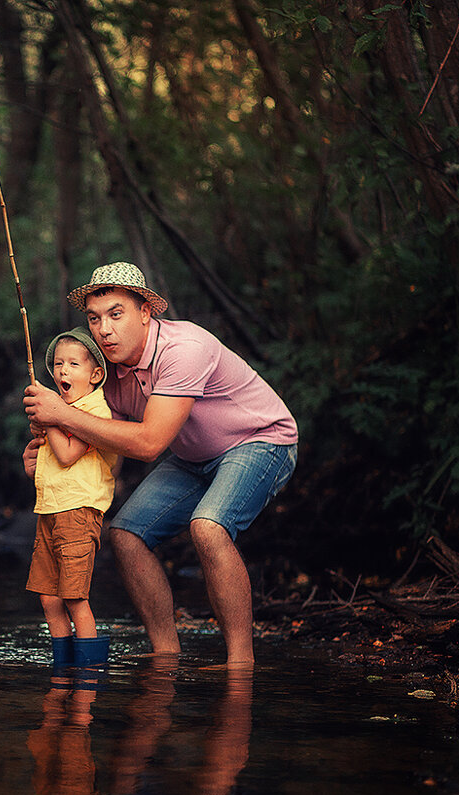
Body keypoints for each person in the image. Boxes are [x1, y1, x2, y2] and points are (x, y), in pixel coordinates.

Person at [23, 262, 297, 666]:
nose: (104, 329)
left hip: (260, 440)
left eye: (116, 314)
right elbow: (99, 441)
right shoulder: (105, 372)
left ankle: (241, 665)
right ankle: (166, 655)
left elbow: (149, 444)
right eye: (95, 319)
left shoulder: (184, 349)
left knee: (207, 526)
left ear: (146, 312)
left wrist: (61, 416)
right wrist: (44, 454)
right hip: (193, 458)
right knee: (127, 534)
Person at [25, 328, 120, 668]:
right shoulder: (61, 412)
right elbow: (49, 468)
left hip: (79, 514)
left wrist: (48, 416)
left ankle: (87, 683)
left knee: (74, 598)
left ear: (95, 375)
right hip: (49, 512)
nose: (63, 371)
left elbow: (66, 455)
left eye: (74, 364)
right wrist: (31, 462)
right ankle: (63, 672)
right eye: (58, 364)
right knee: (50, 600)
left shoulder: (95, 412)